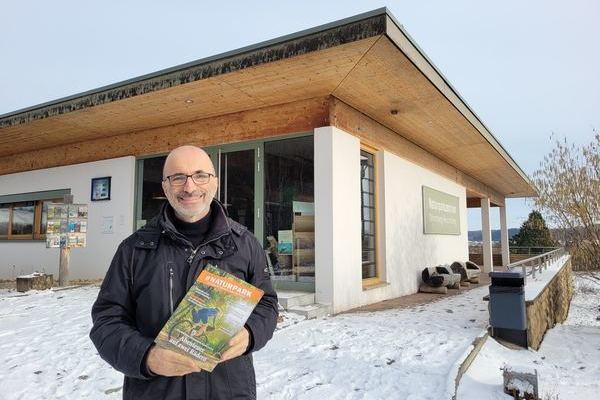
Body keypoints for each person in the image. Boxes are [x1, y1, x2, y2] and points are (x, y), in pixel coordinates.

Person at [90, 145, 278, 399]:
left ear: (215, 183)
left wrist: (251, 334)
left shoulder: (244, 245)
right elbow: (107, 321)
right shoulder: (134, 250)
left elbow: (266, 304)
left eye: (200, 175)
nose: (189, 187)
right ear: (165, 186)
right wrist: (147, 356)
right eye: (178, 177)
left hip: (229, 392)